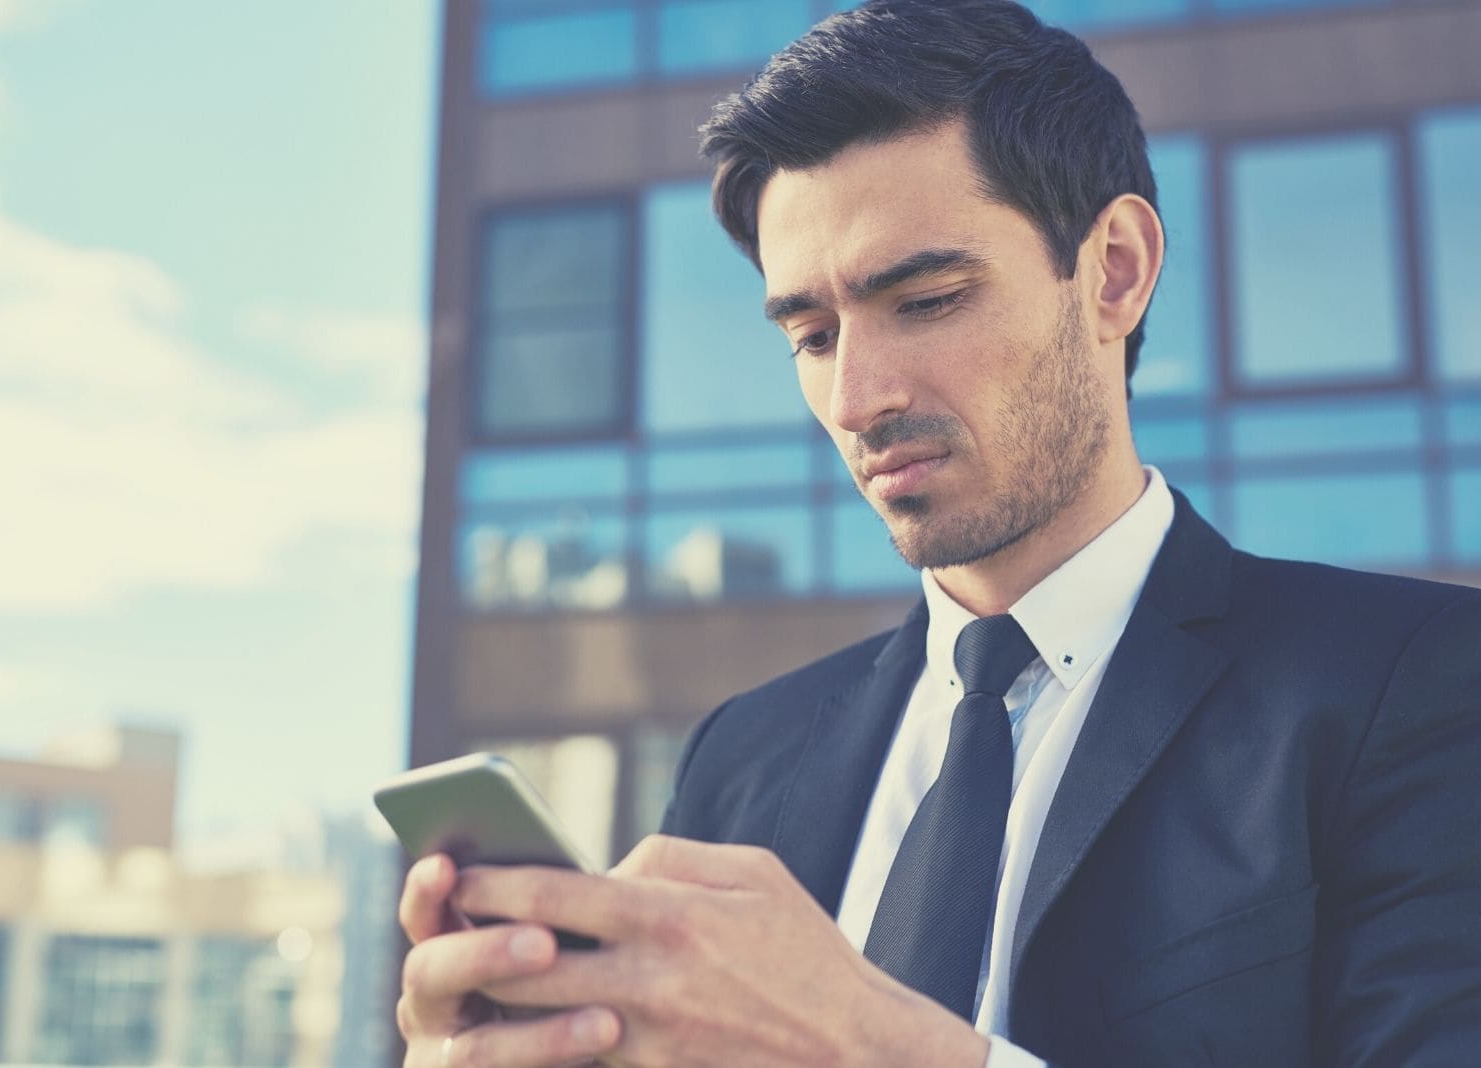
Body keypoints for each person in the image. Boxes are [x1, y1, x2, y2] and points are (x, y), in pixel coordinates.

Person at [395, 0, 1481, 1064]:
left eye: (925, 302)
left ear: (1113, 270)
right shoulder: (744, 758)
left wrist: (878, 1051)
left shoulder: (1416, 684)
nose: (858, 397)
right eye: (812, 335)